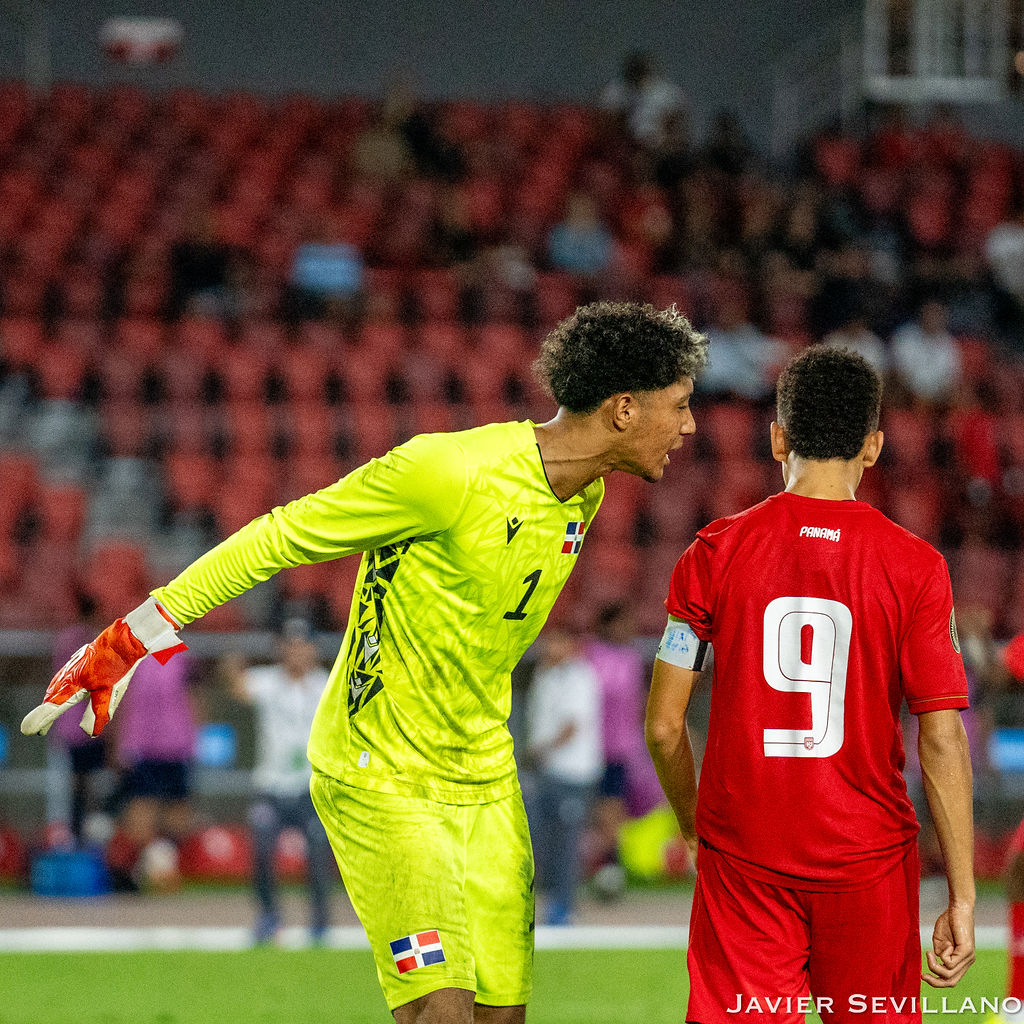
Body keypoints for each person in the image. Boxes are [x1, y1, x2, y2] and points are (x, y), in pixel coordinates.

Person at [22, 300, 708, 1024]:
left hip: (485, 778)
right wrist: (132, 636)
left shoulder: (584, 496)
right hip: (381, 772)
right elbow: (280, 536)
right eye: (681, 406)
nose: (691, 426)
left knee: (499, 1016)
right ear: (625, 409)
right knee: (441, 1010)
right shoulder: (448, 471)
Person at [646, 345, 975, 1023]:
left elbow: (662, 724)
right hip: (870, 862)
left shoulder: (712, 553)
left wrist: (694, 830)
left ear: (777, 438)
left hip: (746, 856)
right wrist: (964, 895)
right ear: (875, 447)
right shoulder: (916, 568)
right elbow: (940, 738)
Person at [220, 618, 333, 945]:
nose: (297, 652)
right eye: (291, 645)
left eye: (303, 645)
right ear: (281, 649)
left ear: (313, 649)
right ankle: (269, 916)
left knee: (317, 850)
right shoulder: (268, 681)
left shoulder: (326, 684)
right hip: (271, 786)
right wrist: (231, 661)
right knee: (263, 846)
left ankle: (319, 920)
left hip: (311, 786)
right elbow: (238, 687)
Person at [524, 626, 603, 926]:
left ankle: (565, 906)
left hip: (574, 772)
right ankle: (551, 902)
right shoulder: (546, 675)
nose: (548, 647)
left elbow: (572, 727)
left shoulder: (580, 676)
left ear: (570, 644)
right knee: (544, 840)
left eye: (555, 641)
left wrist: (539, 750)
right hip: (549, 771)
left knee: (567, 842)